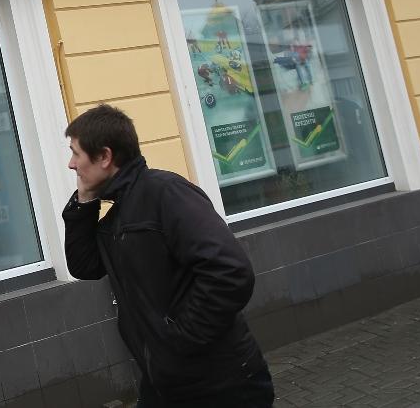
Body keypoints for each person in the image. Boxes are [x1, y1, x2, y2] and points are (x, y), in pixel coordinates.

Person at [62, 105, 272, 408]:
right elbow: (86, 266)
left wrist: (176, 341)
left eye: (76, 153)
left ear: (105, 157)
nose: (71, 164)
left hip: (220, 384)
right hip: (163, 382)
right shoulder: (117, 215)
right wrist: (83, 202)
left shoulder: (166, 193)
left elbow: (231, 272)